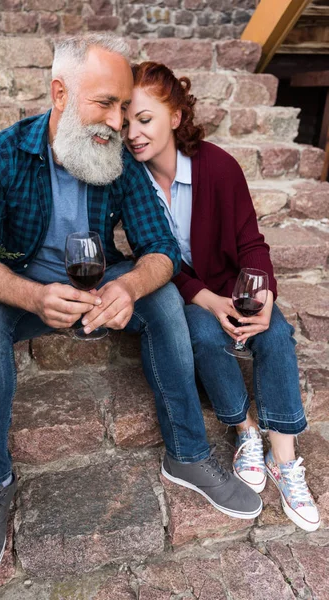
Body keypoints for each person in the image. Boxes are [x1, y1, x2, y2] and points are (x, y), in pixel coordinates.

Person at [0, 36, 262, 581]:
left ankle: (186, 453)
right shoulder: (3, 153)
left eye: (123, 107)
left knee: (162, 294)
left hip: (99, 282)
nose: (118, 123)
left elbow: (161, 248)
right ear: (60, 94)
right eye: (105, 104)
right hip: (31, 289)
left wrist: (132, 286)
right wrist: (32, 295)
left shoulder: (116, 159)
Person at [123, 60, 320, 533]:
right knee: (204, 338)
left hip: (240, 286)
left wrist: (265, 293)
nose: (133, 133)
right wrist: (205, 300)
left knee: (275, 337)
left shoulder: (220, 167)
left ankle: (284, 459)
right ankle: (245, 430)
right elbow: (154, 258)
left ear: (175, 116)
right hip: (190, 295)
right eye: (126, 121)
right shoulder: (131, 184)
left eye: (144, 119)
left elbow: (252, 243)